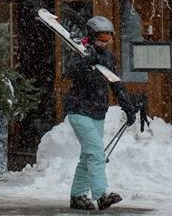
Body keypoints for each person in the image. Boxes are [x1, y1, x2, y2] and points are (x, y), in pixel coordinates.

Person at [64, 16, 137, 211]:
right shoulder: (80, 52)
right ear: (92, 34)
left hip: (97, 111)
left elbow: (116, 84)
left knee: (88, 155)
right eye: (102, 36)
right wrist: (85, 61)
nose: (106, 41)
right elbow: (69, 71)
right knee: (96, 153)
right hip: (79, 109)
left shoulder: (108, 58)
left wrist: (128, 106)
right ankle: (101, 195)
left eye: (109, 36)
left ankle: (78, 196)